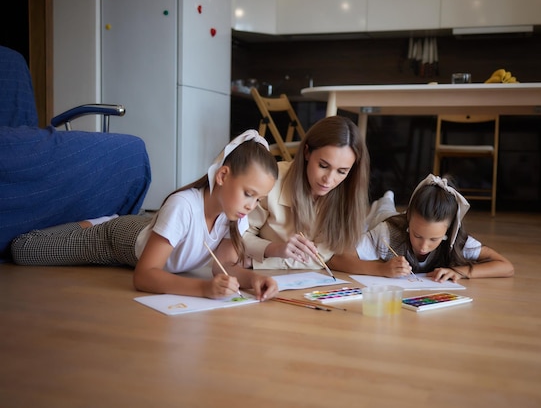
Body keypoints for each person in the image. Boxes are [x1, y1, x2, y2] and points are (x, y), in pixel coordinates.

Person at [11, 130, 280, 301]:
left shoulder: (235, 215)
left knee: (148, 226)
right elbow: (144, 276)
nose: (252, 205)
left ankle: (121, 218)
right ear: (222, 176)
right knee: (24, 249)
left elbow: (223, 267)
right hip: (118, 241)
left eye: (258, 198)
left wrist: (253, 280)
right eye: (249, 193)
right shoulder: (183, 206)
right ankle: (101, 222)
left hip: (150, 231)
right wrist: (204, 289)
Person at [240, 115, 370, 271]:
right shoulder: (271, 181)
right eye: (323, 165)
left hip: (301, 279)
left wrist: (258, 263)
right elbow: (237, 235)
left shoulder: (349, 194)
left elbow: (321, 258)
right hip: (260, 277)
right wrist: (273, 249)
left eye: (341, 172)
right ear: (307, 152)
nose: (328, 180)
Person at [331, 174, 514, 282]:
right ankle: (384, 199)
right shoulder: (388, 232)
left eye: (434, 239)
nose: (423, 247)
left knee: (388, 208)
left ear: (449, 231)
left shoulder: (456, 240)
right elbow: (336, 259)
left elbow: (506, 267)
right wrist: (381, 269)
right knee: (384, 211)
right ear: (409, 219)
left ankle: (388, 199)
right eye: (417, 235)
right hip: (386, 219)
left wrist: (460, 271)